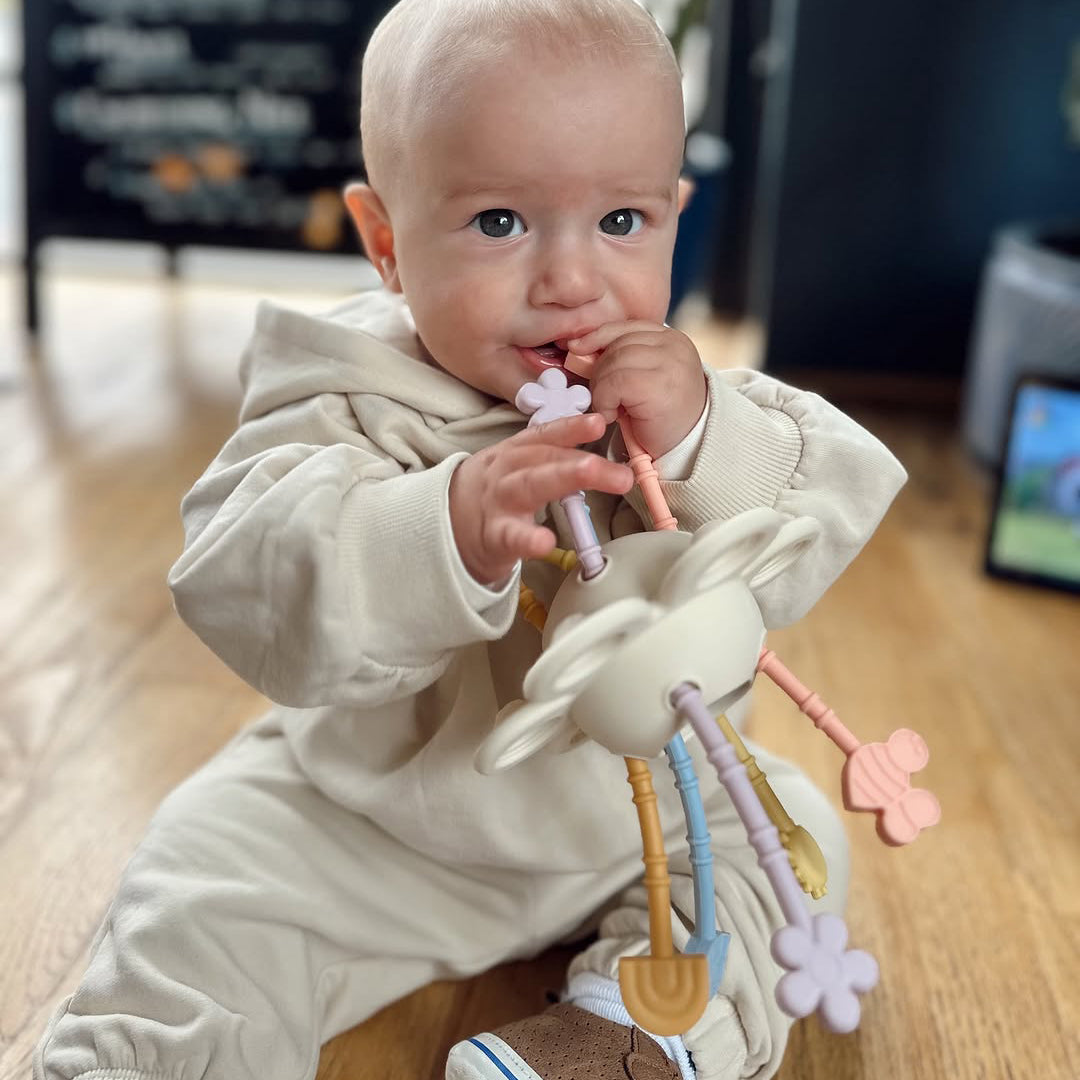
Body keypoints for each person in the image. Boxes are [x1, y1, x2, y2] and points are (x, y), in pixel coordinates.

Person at [33, 2, 908, 1079]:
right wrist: (442, 527)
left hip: (636, 817)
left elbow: (819, 509)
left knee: (791, 843)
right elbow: (247, 572)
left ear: (676, 214)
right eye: (500, 222)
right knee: (196, 884)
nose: (571, 280)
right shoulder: (340, 392)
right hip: (370, 823)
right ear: (386, 243)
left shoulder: (680, 397)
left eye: (623, 222)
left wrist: (698, 440)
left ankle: (623, 1040)